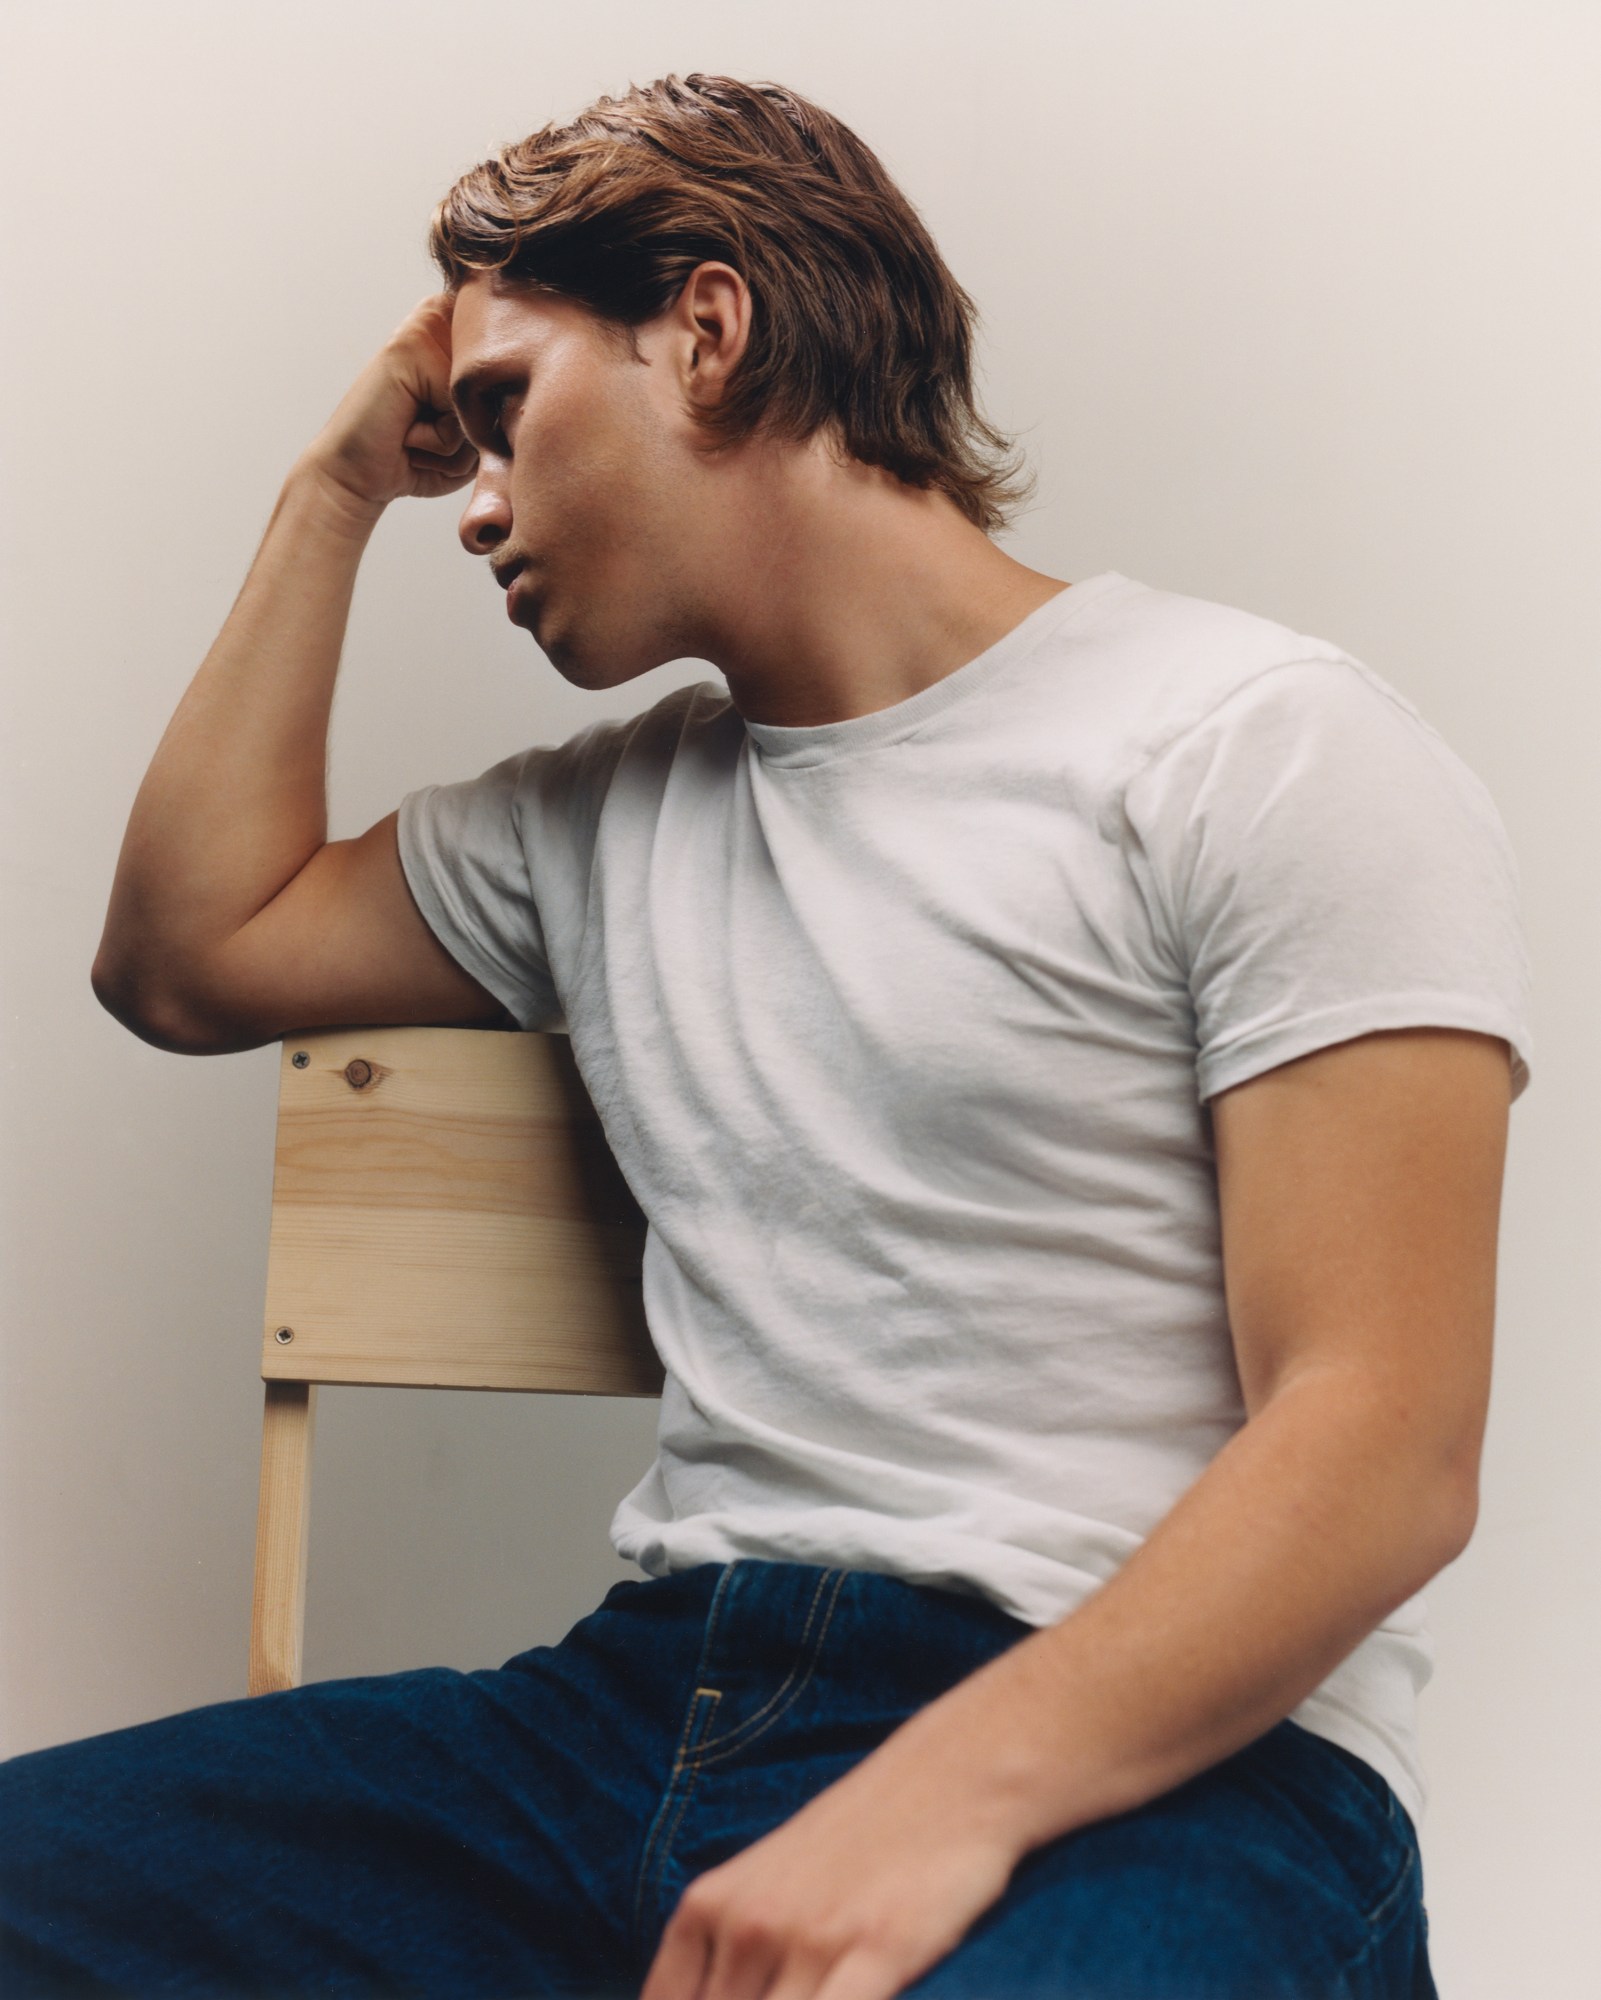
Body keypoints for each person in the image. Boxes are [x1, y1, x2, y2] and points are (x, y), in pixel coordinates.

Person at [2, 70, 1530, 2000]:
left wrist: (939, 1799)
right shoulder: (593, 823)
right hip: (639, 1714)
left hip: (1177, 1762)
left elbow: (1383, 1441)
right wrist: (326, 495)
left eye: (504, 414)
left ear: (707, 332)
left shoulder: (1257, 743)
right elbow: (182, 955)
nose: (472, 502)